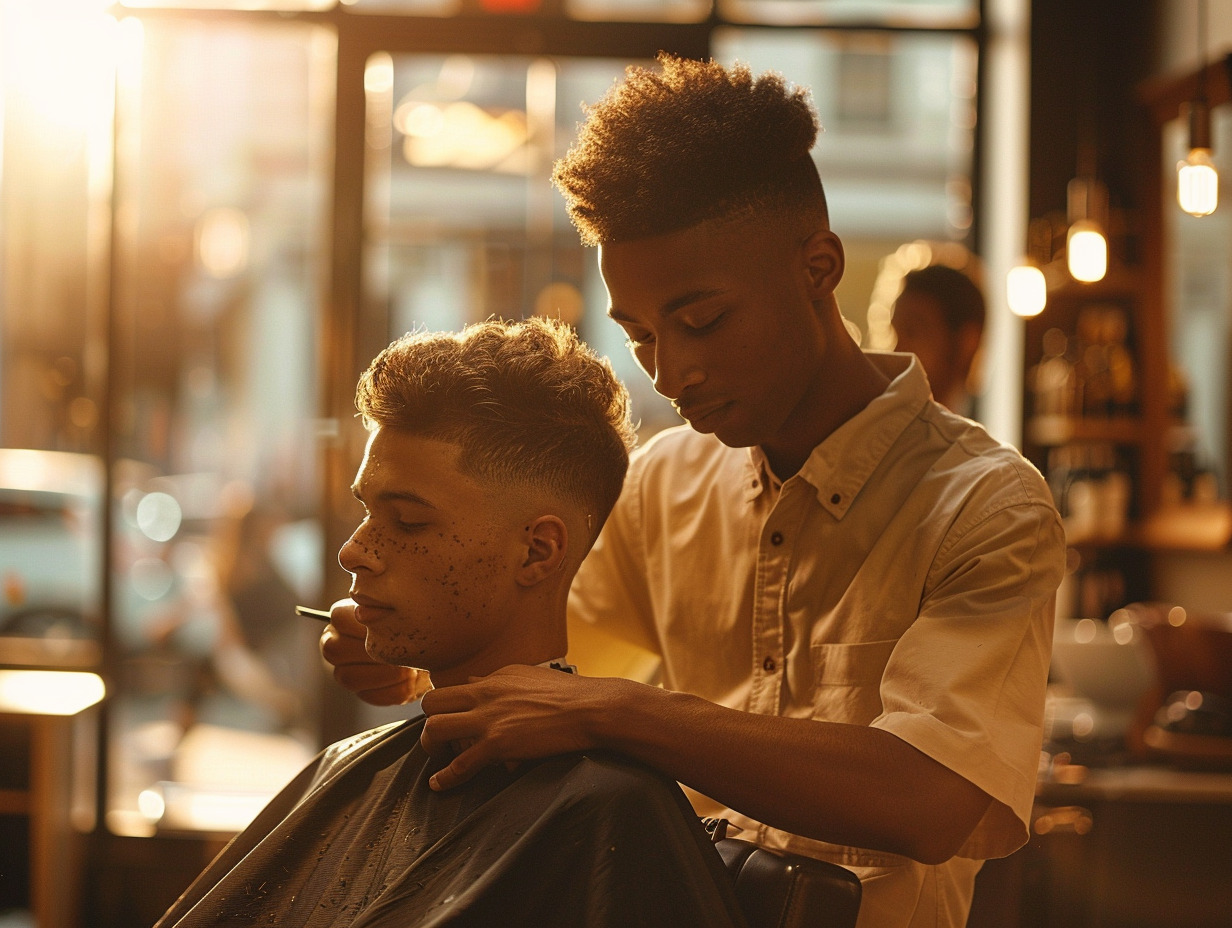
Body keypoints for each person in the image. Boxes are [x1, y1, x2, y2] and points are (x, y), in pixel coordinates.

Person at [322, 54, 1065, 928]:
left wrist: (623, 712)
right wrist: (409, 649)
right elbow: (536, 657)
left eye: (702, 320)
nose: (673, 371)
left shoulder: (985, 507)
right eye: (638, 334)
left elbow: (929, 797)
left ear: (819, 266)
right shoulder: (665, 481)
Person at [155, 317, 748, 928]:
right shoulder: (351, 767)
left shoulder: (609, 813)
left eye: (409, 522)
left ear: (537, 552)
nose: (353, 552)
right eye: (365, 511)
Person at [891, 263, 987, 417]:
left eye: (912, 332)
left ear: (966, 342)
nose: (896, 351)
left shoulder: (977, 439)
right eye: (894, 334)